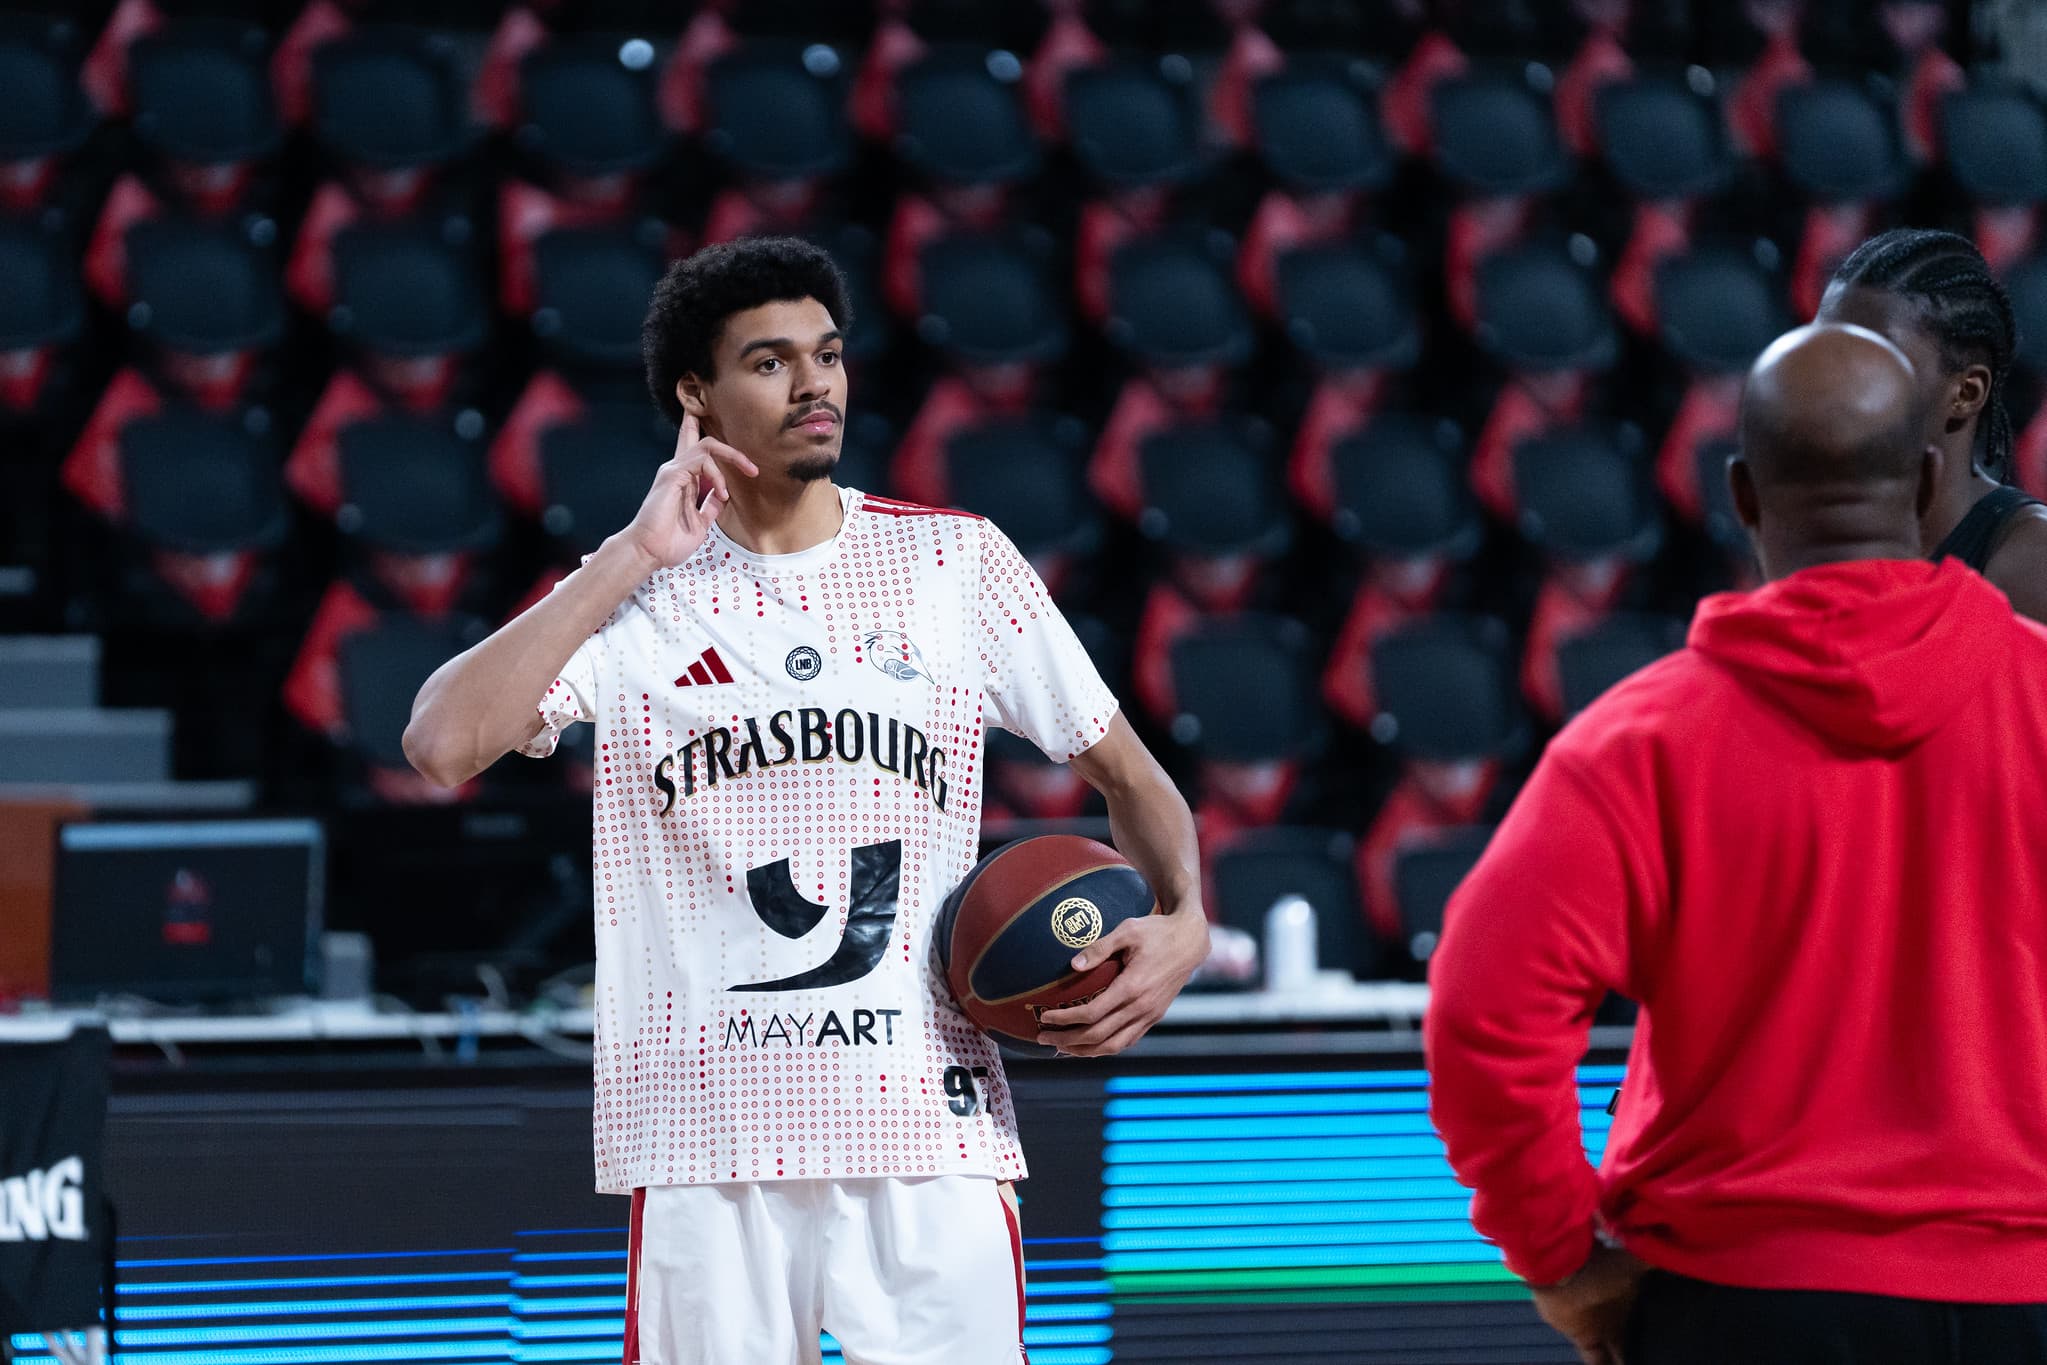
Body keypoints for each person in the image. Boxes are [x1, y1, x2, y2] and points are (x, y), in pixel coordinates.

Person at [400, 237, 1210, 1365]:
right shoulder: (636, 597)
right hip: (704, 1140)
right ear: (697, 394)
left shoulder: (955, 566)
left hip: (927, 1129)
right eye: (771, 362)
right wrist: (631, 554)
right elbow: (441, 742)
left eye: (826, 355)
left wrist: (1185, 918)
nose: (815, 383)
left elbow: (1130, 775)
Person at [1424, 323, 2047, 1365]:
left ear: (1743, 495)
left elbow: (1482, 1019)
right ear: (1931, 474)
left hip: (1736, 1304)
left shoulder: (1639, 741)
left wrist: (1561, 1259)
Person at [1816, 227, 2047, 620]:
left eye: (1873, 359)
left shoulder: (2032, 564)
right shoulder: (1819, 539)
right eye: (1825, 353)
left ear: (1967, 392)